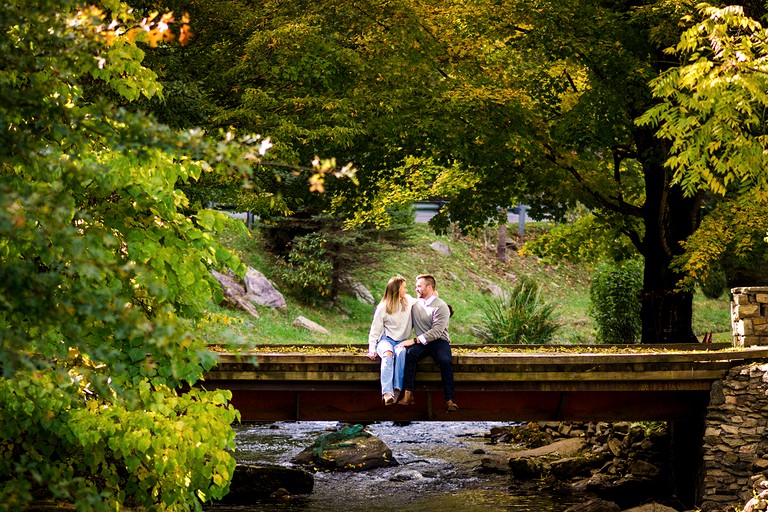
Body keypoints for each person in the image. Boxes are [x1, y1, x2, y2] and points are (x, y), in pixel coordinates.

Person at [398, 274, 458, 412]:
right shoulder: (415, 304)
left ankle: (449, 400)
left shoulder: (441, 306)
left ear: (429, 287)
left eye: (419, 286)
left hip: (439, 341)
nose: (416, 289)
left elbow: (437, 332)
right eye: (416, 286)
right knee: (410, 354)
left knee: (445, 361)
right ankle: (408, 394)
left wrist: (413, 340)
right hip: (422, 342)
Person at [367, 276, 417, 405]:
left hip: (402, 341)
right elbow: (375, 330)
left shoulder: (409, 301)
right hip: (386, 340)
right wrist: (372, 349)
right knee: (388, 355)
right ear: (396, 289)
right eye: (404, 287)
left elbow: (423, 303)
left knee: (401, 354)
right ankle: (387, 393)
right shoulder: (383, 307)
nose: (406, 290)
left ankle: (397, 389)